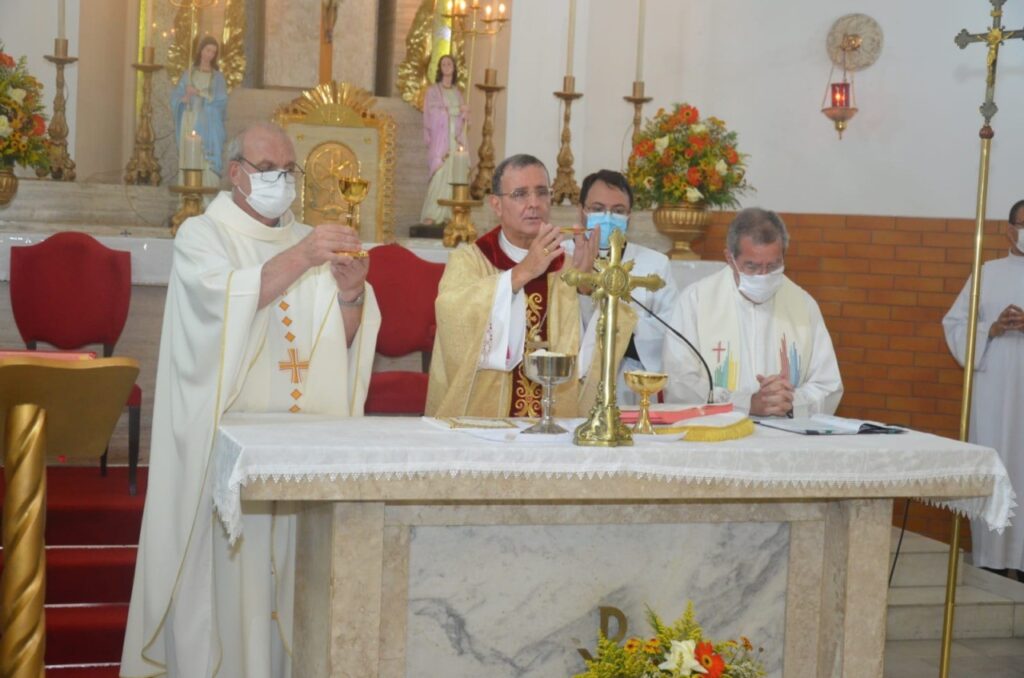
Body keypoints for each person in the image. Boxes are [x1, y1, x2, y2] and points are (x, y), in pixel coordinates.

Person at [120, 122, 381, 678]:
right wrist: (305, 257)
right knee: (228, 596)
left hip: (300, 454)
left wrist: (352, 294)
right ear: (235, 172)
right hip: (228, 452)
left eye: (289, 172)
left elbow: (344, 341)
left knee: (290, 587)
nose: (280, 181)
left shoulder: (306, 239)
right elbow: (224, 306)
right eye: (268, 171)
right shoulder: (202, 236)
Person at [425, 153, 634, 417]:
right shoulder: (470, 261)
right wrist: (522, 273)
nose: (534, 204)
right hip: (483, 420)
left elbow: (587, 359)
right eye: (520, 194)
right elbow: (452, 319)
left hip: (556, 420)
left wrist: (584, 289)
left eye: (542, 193)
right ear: (496, 204)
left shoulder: (569, 265)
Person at [663, 207, 842, 415]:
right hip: (718, 437)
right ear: (730, 259)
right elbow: (679, 382)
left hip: (785, 439)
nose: (763, 275)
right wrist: (746, 403)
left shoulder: (803, 304)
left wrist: (790, 402)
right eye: (752, 267)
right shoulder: (696, 301)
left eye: (773, 266)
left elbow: (828, 385)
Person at [943, 199, 1024, 579]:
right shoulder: (987, 273)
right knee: (997, 467)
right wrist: (990, 329)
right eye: (1022, 223)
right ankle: (991, 558)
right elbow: (955, 325)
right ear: (1009, 228)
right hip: (993, 393)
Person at [573, 169, 679, 405]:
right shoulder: (562, 258)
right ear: (582, 211)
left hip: (629, 383)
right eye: (598, 208)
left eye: (618, 211)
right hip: (570, 384)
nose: (608, 217)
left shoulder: (655, 265)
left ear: (630, 216)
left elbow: (671, 329)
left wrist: (624, 327)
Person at [171, 35, 228, 187]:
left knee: (205, 159)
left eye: (213, 52)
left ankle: (206, 197)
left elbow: (221, 101)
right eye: (208, 50)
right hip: (190, 118)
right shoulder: (189, 74)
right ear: (201, 50)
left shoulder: (218, 77)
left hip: (209, 123)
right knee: (190, 155)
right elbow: (176, 98)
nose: (210, 54)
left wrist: (199, 93)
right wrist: (184, 99)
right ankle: (187, 195)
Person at [419, 54, 468, 225]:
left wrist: (463, 114)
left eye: (449, 64)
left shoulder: (457, 92)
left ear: (454, 68)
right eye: (443, 64)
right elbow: (432, 112)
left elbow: (462, 118)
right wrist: (454, 110)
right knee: (439, 175)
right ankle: (432, 214)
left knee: (451, 177)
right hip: (441, 142)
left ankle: (447, 215)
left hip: (454, 140)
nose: (447, 66)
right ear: (440, 68)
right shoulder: (433, 91)